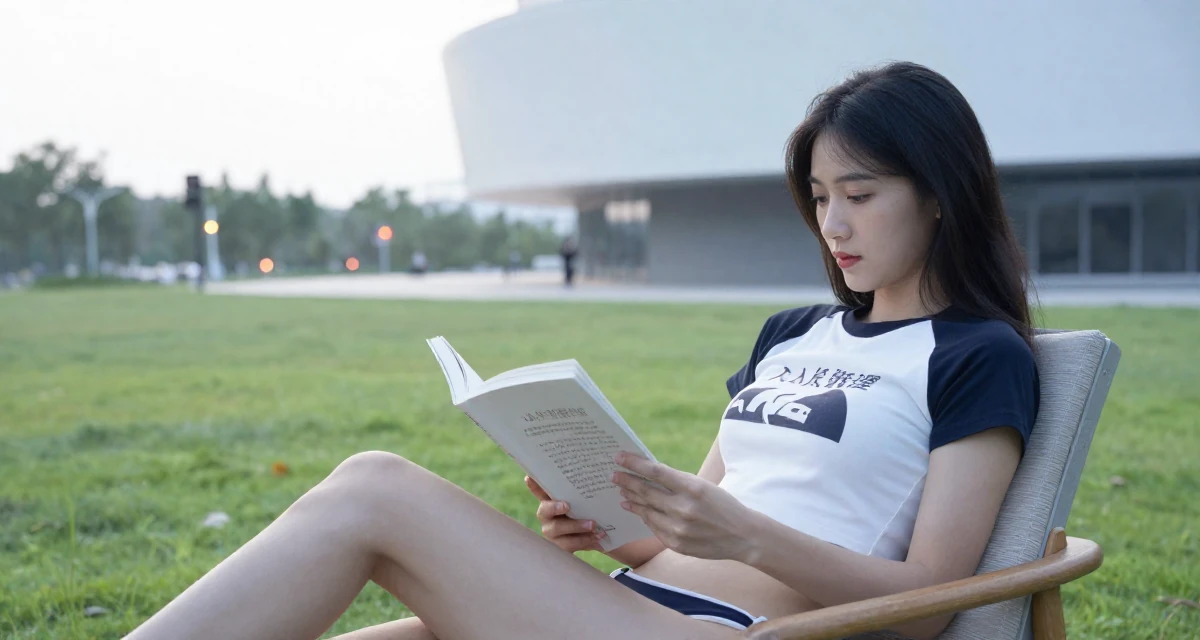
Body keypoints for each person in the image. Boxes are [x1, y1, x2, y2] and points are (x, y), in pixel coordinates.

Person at [125, 61, 1038, 640]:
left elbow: (928, 604)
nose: (832, 222)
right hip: (639, 600)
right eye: (818, 194)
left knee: (375, 487)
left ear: (939, 194)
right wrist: (619, 527)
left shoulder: (976, 356)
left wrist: (750, 538)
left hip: (745, 632)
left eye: (861, 193)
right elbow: (699, 521)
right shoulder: (794, 334)